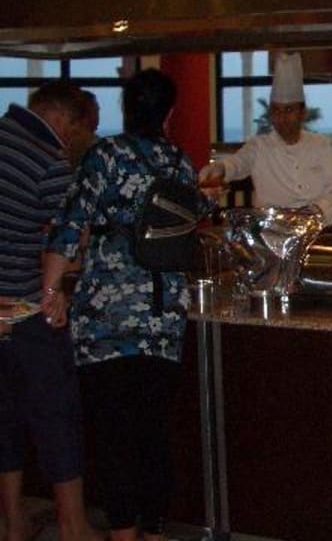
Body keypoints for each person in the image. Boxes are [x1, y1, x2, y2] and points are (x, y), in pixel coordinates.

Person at [44, 69, 207, 541]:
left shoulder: (106, 156)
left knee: (113, 434)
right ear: (169, 114)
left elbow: (70, 225)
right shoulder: (179, 163)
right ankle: (153, 532)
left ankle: (122, 534)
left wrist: (52, 290)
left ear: (125, 108)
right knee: (152, 432)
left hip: (106, 318)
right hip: (163, 313)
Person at [0, 81, 102, 541]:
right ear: (64, 119)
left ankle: (12, 522)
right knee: (56, 417)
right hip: (26, 309)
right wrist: (53, 289)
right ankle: (73, 527)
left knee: (4, 418)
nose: (73, 141)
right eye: (78, 131)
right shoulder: (48, 161)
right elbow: (68, 241)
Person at [198, 51, 332, 224]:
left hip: (317, 228)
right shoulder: (259, 146)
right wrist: (220, 169)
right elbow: (237, 164)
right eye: (276, 110)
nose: (282, 117)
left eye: (289, 110)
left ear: (303, 113)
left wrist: (317, 210)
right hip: (271, 231)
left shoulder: (320, 144)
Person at [67, 90, 100, 168]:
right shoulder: (94, 143)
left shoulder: (65, 137)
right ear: (90, 112)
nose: (99, 116)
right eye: (97, 110)